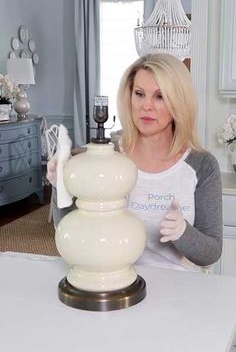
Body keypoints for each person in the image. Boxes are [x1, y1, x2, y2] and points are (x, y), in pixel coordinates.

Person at [47, 53, 223, 272]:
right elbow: (68, 231)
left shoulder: (202, 165)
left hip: (180, 285)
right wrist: (60, 187)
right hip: (115, 280)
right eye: (139, 94)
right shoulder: (103, 155)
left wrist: (183, 232)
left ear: (179, 102)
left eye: (160, 96)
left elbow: (211, 253)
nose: (146, 106)